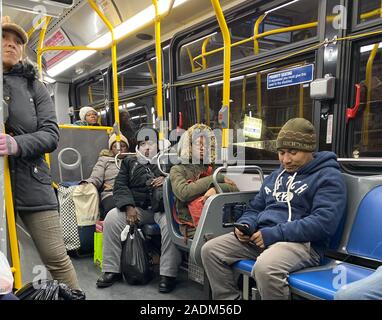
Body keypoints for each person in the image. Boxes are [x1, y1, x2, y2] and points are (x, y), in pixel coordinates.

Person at [201, 118, 347, 300]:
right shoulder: (276, 176)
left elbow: (323, 223)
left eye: (293, 152)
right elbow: (255, 207)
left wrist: (273, 234)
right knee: (211, 250)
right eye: (281, 152)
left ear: (309, 149)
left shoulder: (328, 177)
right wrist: (246, 224)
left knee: (266, 268)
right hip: (264, 238)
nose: (286, 160)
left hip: (303, 244)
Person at [1, 17, 82, 293]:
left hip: (32, 184)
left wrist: (16, 144)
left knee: (56, 259)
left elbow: (51, 134)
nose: (11, 44)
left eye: (17, 42)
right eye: (4, 38)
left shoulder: (35, 86)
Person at [96, 127, 182, 293]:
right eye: (143, 144)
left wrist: (167, 178)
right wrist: (129, 207)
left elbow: (180, 178)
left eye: (150, 143)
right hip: (138, 208)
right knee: (112, 218)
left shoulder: (168, 161)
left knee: (170, 224)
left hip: (161, 208)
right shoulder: (129, 162)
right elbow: (120, 186)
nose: (147, 147)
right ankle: (111, 269)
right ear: (138, 146)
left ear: (158, 144)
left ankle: (167, 274)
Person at [170, 123, 239, 237]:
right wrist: (214, 179)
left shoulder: (212, 168)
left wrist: (216, 189)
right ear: (189, 145)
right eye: (198, 144)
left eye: (207, 145)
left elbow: (234, 188)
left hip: (217, 220)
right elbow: (184, 193)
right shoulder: (177, 170)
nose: (203, 147)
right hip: (192, 225)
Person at [81, 134, 129, 220]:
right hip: (111, 192)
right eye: (115, 147)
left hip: (129, 192)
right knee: (113, 210)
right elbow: (96, 177)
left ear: (127, 148)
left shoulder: (132, 160)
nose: (119, 149)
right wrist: (88, 183)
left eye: (123, 146)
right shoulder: (105, 160)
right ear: (111, 149)